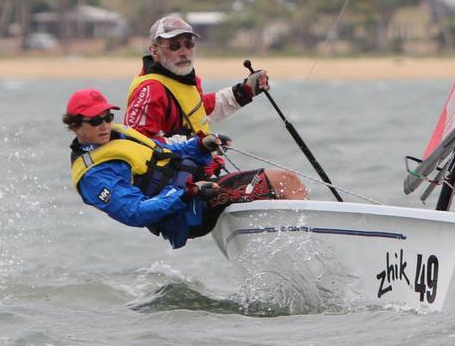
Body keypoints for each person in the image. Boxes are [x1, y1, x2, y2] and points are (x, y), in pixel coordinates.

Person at [65, 88, 306, 249]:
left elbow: (166, 154)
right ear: (75, 125)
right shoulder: (95, 176)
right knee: (284, 181)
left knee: (283, 183)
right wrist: (187, 191)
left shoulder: (118, 136)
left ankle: (296, 246)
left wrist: (200, 145)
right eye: (96, 120)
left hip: (196, 192)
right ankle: (316, 248)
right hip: (188, 213)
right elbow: (135, 213)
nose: (105, 124)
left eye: (107, 116)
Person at [124, 13, 306, 199]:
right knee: (286, 182)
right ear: (154, 51)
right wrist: (197, 144)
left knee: (275, 193)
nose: (184, 51)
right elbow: (136, 145)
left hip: (199, 179)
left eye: (189, 44)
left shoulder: (182, 81)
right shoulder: (150, 90)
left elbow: (200, 112)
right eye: (174, 46)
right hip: (179, 194)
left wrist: (245, 90)